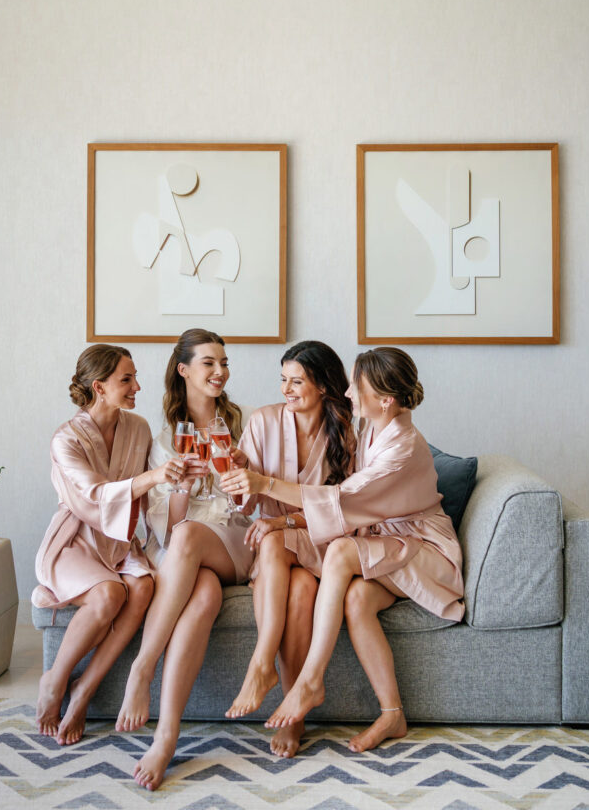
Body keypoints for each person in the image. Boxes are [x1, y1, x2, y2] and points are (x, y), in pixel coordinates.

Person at [225, 346, 465, 753]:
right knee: (356, 600)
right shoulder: (370, 428)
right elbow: (342, 509)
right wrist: (273, 513)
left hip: (423, 550)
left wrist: (265, 485)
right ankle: (393, 714)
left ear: (385, 399)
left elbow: (342, 500)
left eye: (357, 386)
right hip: (384, 543)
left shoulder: (402, 447)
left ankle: (310, 680)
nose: (348, 392)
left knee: (339, 552)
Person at [32, 344, 192, 745]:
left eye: (135, 377)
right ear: (99, 387)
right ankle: (55, 681)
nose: (137, 386)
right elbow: (94, 496)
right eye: (127, 379)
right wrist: (156, 476)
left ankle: (84, 689)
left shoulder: (138, 428)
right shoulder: (65, 440)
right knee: (108, 595)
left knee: (143, 587)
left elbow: (149, 498)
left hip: (120, 541)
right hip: (75, 540)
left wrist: (180, 485)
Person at [116, 328, 253, 791]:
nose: (220, 371)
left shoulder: (243, 425)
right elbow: (166, 528)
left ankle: (143, 667)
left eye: (223, 363)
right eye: (209, 363)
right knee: (204, 596)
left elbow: (253, 506)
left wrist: (244, 474)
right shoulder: (163, 439)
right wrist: (181, 488)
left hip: (235, 540)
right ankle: (166, 736)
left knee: (191, 535)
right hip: (188, 551)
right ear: (184, 370)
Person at [222, 339, 355, 760]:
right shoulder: (263, 422)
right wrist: (239, 473)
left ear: (324, 385)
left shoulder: (347, 433)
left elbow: (346, 508)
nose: (286, 390)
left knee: (274, 537)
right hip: (272, 548)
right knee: (298, 589)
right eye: (283, 380)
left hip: (319, 541)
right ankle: (290, 704)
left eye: (297, 381)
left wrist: (282, 521)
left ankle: (263, 667)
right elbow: (244, 505)